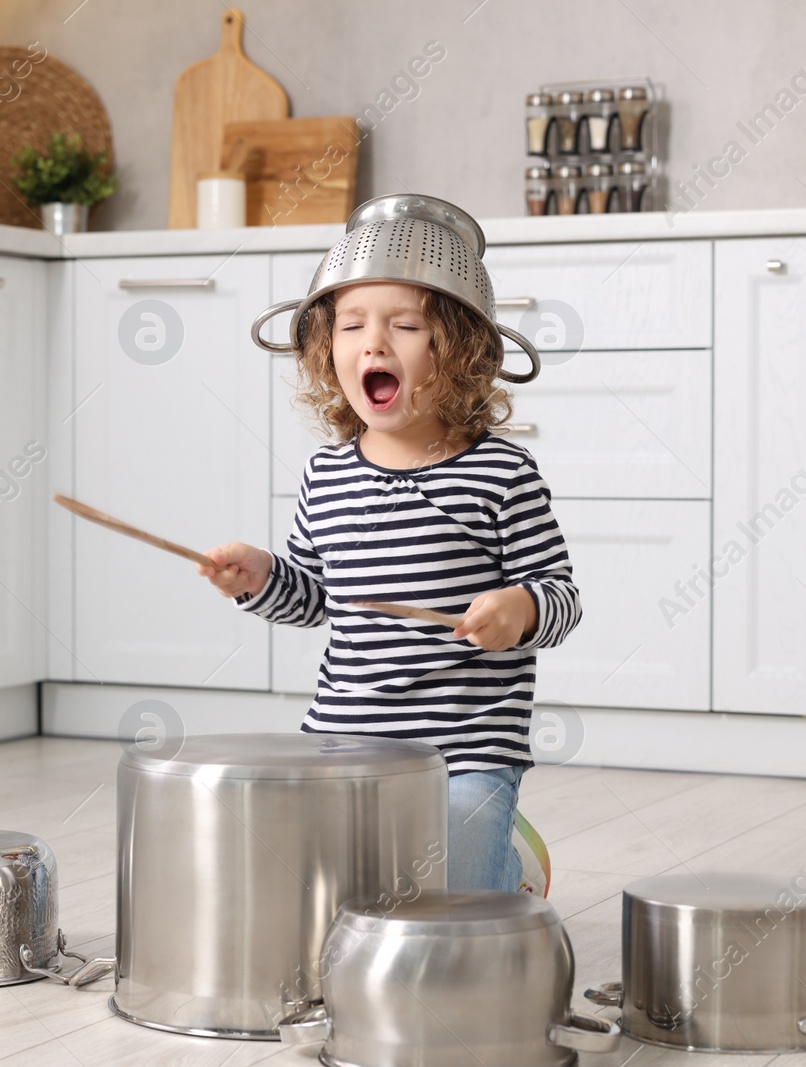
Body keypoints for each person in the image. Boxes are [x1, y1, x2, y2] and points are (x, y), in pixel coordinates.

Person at [198, 195, 580, 893]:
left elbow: (561, 595)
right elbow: (314, 596)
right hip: (345, 740)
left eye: (405, 325)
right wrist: (257, 578)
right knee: (301, 873)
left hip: (465, 751)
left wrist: (521, 607)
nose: (373, 342)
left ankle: (510, 861)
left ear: (459, 352)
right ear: (327, 348)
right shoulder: (328, 472)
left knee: (454, 875)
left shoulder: (501, 473)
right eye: (351, 325)